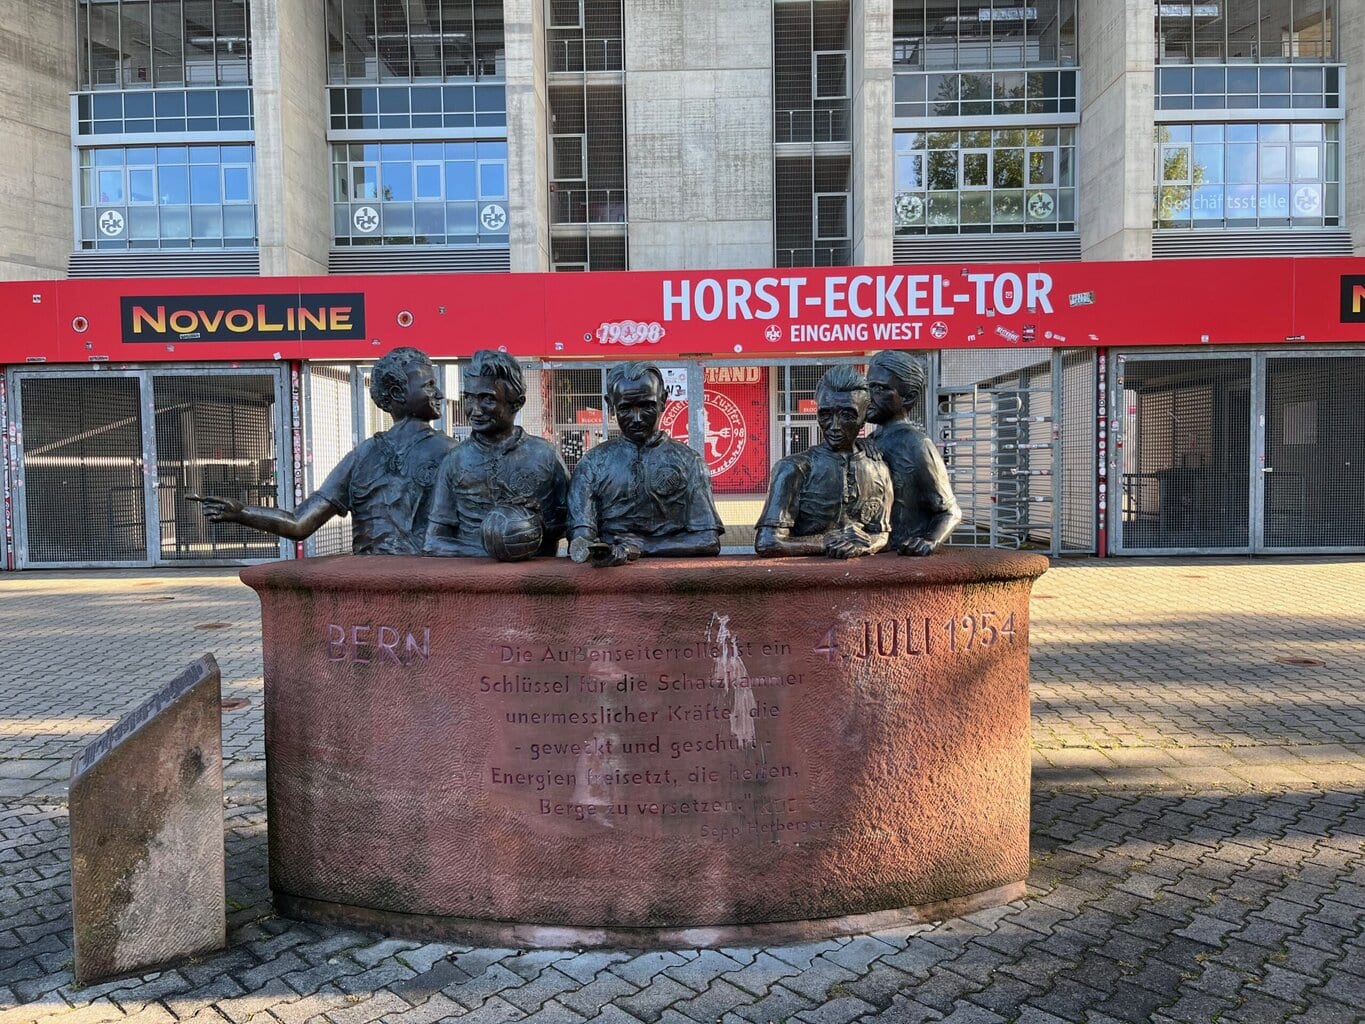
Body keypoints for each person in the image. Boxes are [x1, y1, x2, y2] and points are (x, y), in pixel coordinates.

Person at [191, 347, 454, 555]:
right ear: (398, 393)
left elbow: (298, 523)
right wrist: (241, 513)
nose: (439, 393)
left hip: (407, 584)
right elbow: (300, 523)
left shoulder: (449, 453)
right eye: (429, 385)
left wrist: (242, 513)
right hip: (381, 586)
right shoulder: (367, 455)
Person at [566, 362, 724, 567]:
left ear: (663, 401)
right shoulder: (592, 464)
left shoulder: (688, 462)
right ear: (610, 405)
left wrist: (643, 546)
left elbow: (708, 540)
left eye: (647, 406)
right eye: (625, 408)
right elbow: (580, 539)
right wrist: (596, 551)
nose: (637, 418)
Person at [424, 349, 568, 557]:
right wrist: (495, 551)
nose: (475, 410)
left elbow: (573, 523)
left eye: (487, 400)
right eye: (469, 398)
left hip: (535, 581)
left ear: (517, 403)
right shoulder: (455, 461)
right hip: (474, 581)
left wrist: (539, 525)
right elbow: (434, 542)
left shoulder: (544, 454)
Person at [755, 364, 892, 559]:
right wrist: (827, 541)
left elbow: (882, 534)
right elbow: (767, 542)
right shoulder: (792, 469)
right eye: (826, 414)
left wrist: (865, 546)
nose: (835, 426)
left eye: (847, 415)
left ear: (864, 416)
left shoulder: (879, 469)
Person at [866, 350, 961, 555]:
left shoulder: (917, 445)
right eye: (868, 388)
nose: (868, 397)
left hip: (900, 557)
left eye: (880, 389)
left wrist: (930, 541)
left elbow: (950, 512)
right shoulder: (868, 442)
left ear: (908, 398)